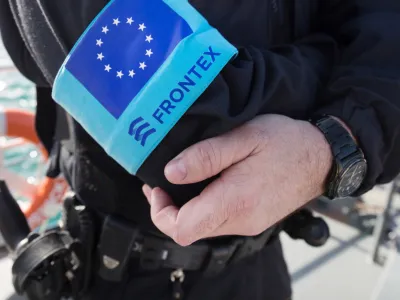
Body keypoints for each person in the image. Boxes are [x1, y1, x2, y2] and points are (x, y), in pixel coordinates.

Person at [1, 0, 400, 299]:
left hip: (262, 267)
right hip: (127, 276)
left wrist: (335, 137)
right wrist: (344, 82)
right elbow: (191, 145)